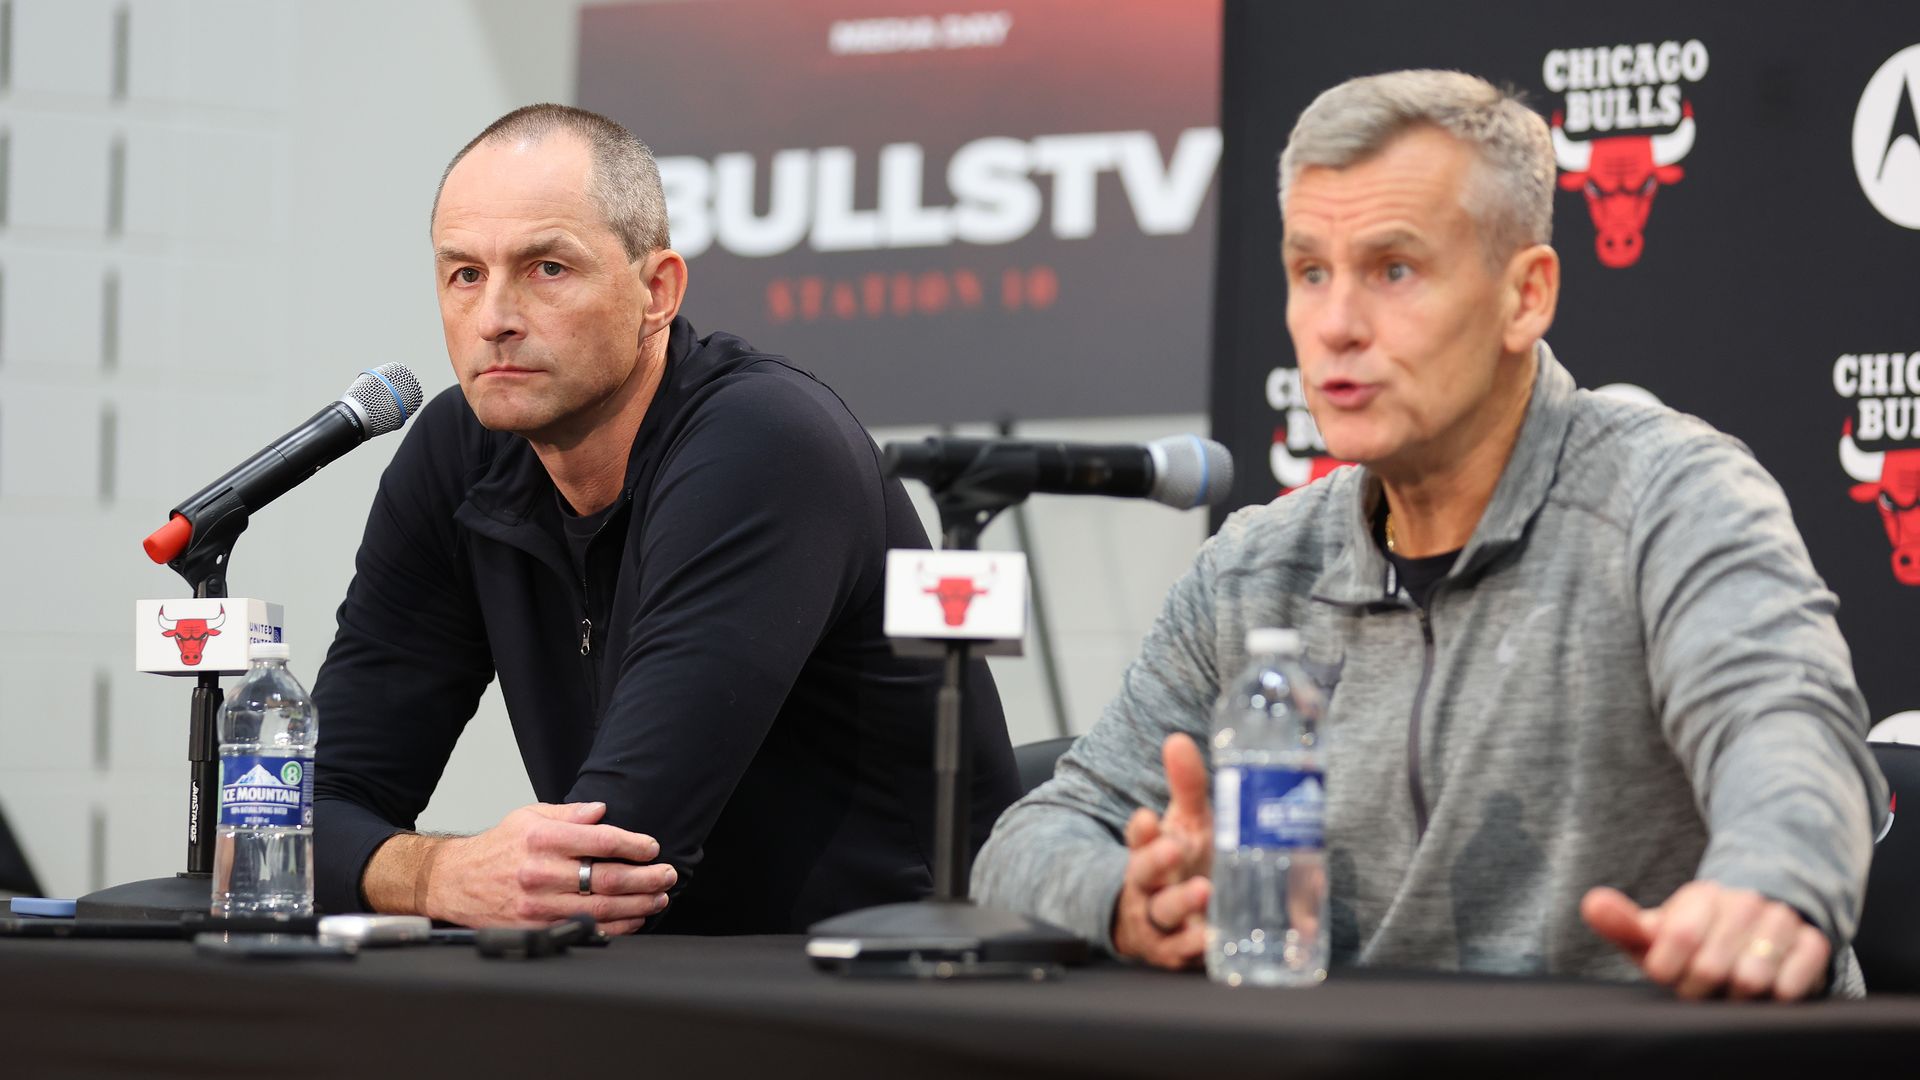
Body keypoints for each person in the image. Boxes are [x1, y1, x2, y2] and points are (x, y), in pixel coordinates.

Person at [971, 70, 1888, 999]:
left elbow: (1786, 724)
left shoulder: (1668, 495)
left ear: (1525, 296)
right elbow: (1033, 838)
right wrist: (1130, 898)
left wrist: (1769, 886)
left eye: (1393, 270)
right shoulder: (1254, 569)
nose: (1334, 326)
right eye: (1309, 272)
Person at [311, 104, 1019, 934]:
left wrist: (402, 868)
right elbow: (281, 820)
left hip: (894, 991)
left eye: (546, 268)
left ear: (657, 291)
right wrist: (434, 874)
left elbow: (605, 856)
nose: (495, 316)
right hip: (658, 983)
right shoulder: (458, 451)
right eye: (464, 273)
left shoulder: (765, 444)